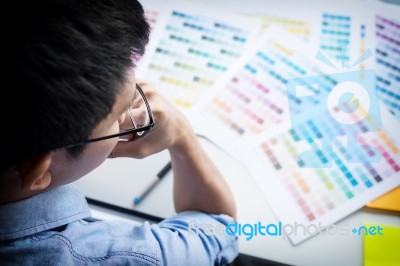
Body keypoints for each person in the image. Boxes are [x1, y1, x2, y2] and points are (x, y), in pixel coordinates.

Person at [0, 0, 238, 264]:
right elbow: (219, 227)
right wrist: (182, 135)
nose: (126, 118)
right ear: (38, 171)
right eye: (118, 115)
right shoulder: (126, 255)